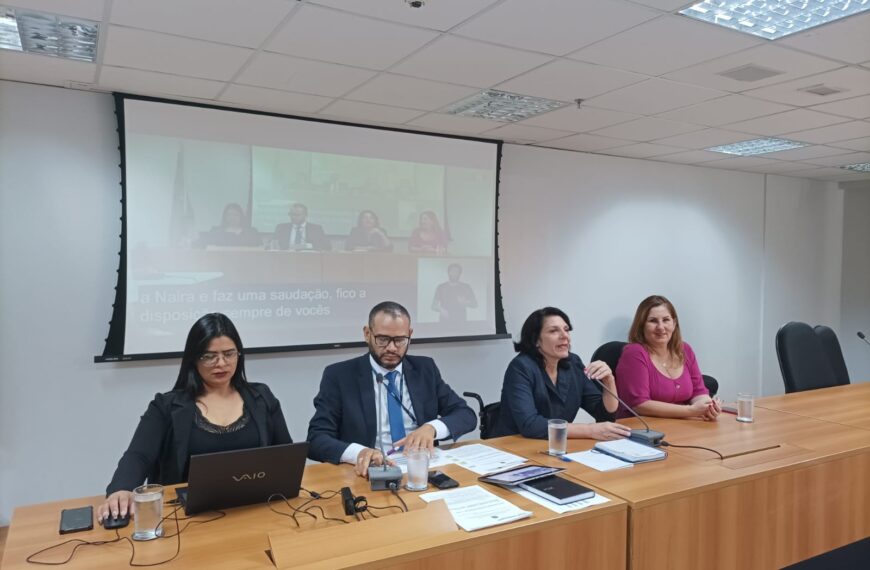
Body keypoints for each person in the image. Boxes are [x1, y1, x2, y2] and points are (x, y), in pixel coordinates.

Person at [97, 313, 291, 522]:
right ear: (193, 359)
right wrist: (121, 489)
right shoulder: (167, 406)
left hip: (254, 510)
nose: (221, 363)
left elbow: (285, 455)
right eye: (209, 356)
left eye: (229, 354)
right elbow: (138, 456)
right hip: (187, 518)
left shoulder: (261, 397)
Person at [307, 301, 476, 477]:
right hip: (372, 474)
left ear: (410, 335)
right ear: (367, 334)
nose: (391, 348)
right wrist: (359, 453)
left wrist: (431, 428)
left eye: (400, 340)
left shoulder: (425, 369)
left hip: (422, 469)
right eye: (383, 339)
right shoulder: (340, 376)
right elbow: (316, 439)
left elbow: (466, 414)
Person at [492, 307, 631, 440]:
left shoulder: (573, 363)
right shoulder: (521, 367)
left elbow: (604, 415)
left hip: (556, 444)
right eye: (553, 331)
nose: (565, 336)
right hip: (514, 446)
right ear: (535, 340)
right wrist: (589, 430)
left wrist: (609, 381)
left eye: (566, 330)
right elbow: (530, 425)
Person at [615, 295, 721, 420]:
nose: (660, 327)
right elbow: (639, 405)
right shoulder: (634, 353)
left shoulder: (684, 349)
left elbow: (699, 391)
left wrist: (708, 406)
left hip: (682, 425)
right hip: (643, 428)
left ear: (674, 323)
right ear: (641, 325)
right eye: (653, 321)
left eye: (666, 320)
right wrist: (690, 410)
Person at [195, 203, 262, 248]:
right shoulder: (216, 232)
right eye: (229, 214)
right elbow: (203, 244)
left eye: (235, 215)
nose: (232, 217)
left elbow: (260, 247)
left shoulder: (251, 232)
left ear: (241, 216)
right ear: (225, 217)